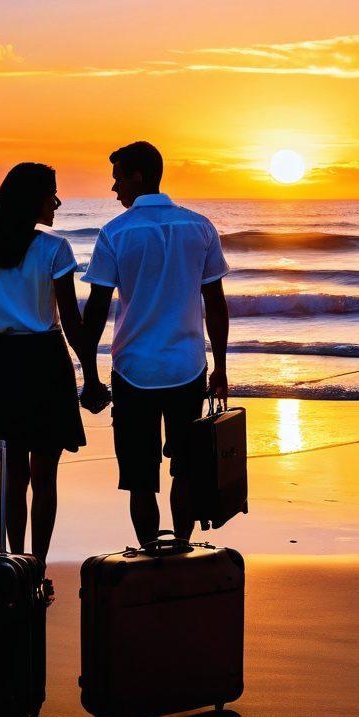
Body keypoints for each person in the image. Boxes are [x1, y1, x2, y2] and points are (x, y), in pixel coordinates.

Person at [0, 163, 102, 600]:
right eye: (51, 194)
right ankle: (37, 566)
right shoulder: (54, 249)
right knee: (45, 475)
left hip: (4, 361)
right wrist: (91, 377)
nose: (56, 203)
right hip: (45, 361)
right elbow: (73, 323)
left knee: (13, 472)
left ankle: (14, 566)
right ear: (33, 199)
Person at [80, 141, 230, 546]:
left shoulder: (115, 233)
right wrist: (220, 367)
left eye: (118, 179)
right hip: (187, 365)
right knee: (186, 468)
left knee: (140, 478)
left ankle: (150, 556)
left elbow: (96, 309)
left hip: (134, 368)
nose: (114, 188)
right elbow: (215, 304)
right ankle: (181, 548)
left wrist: (90, 374)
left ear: (138, 177)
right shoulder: (199, 227)